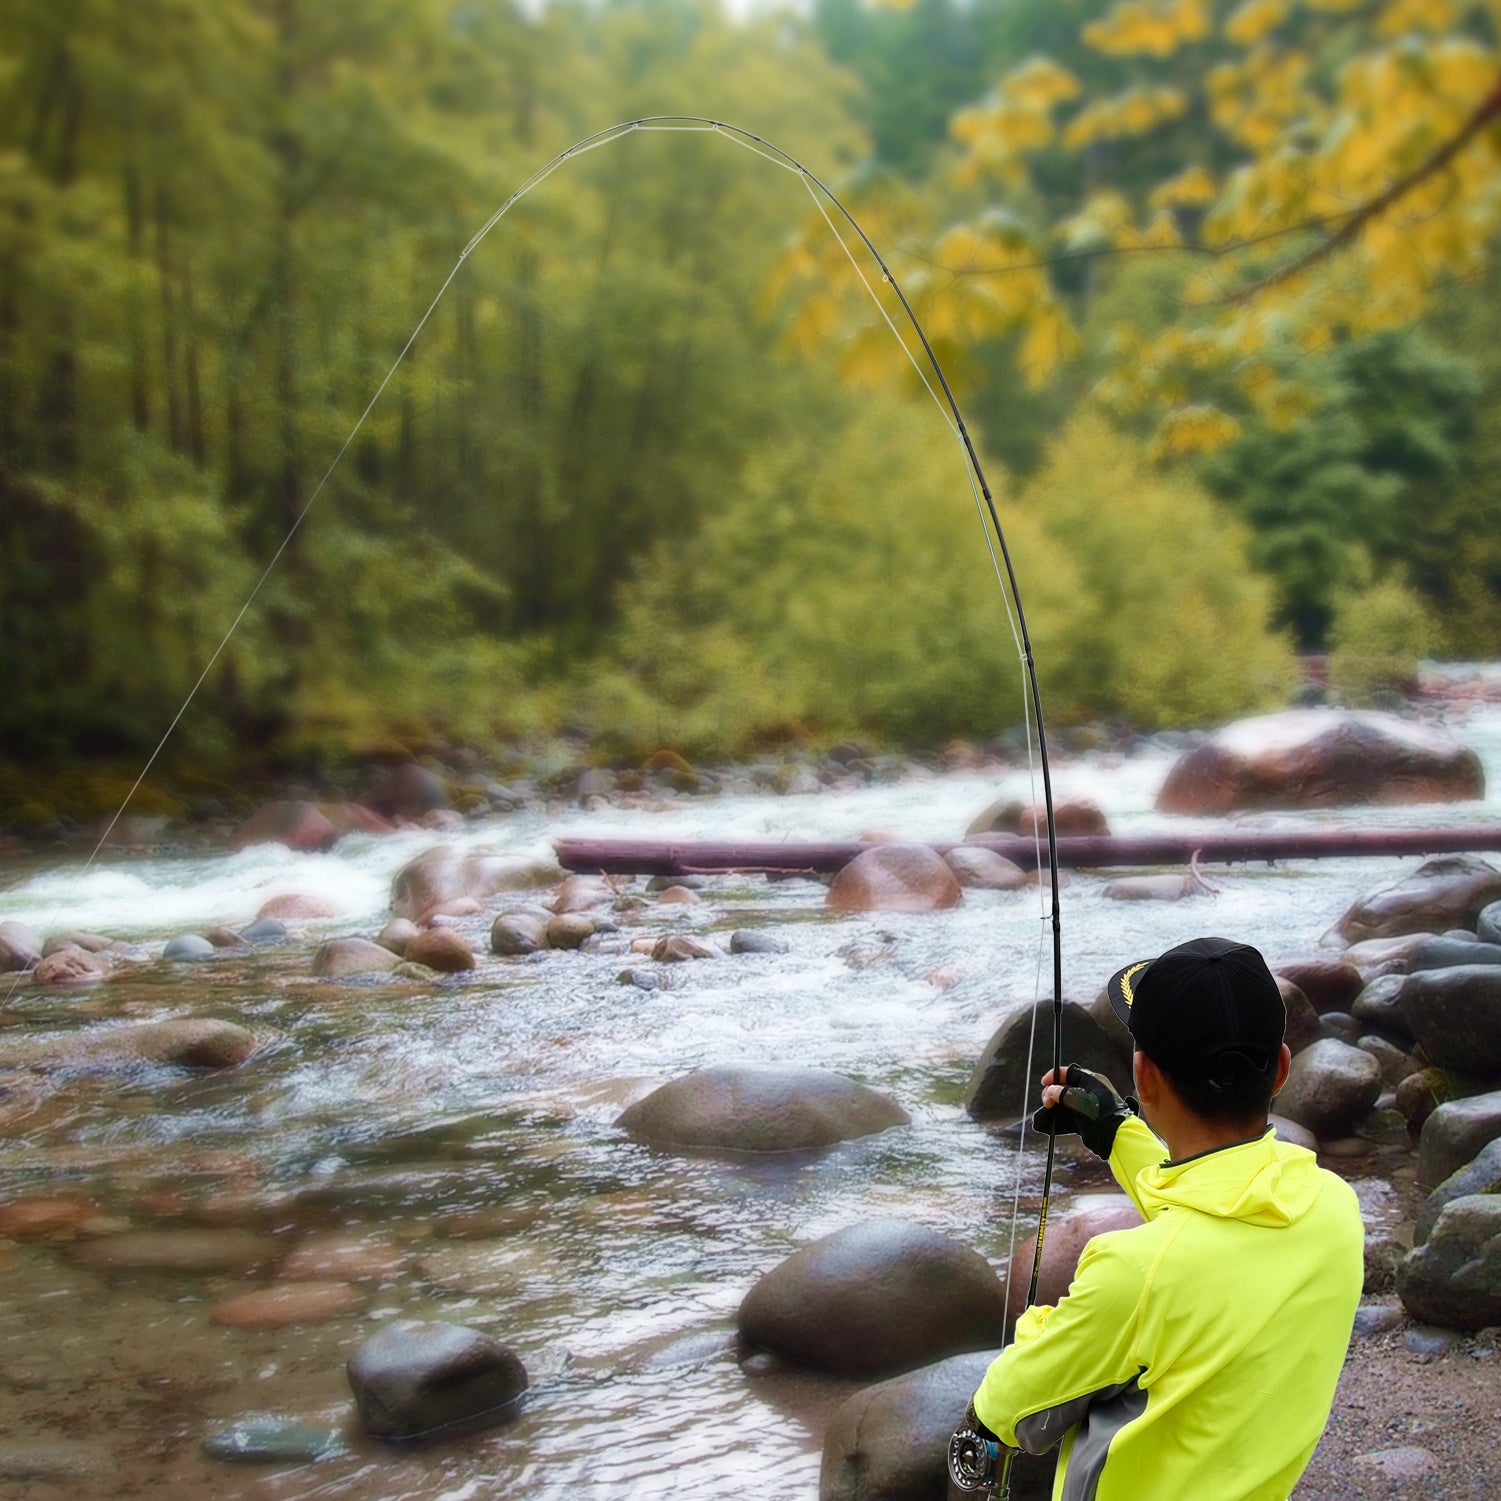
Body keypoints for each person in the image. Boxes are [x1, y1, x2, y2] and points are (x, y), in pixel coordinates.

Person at [962, 936, 1364, 1501]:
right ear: (1280, 1069)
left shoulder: (1133, 1274)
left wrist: (1041, 1329)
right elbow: (1217, 1221)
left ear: (1144, 1075)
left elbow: (1008, 1408)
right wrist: (1115, 1131)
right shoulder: (1335, 1208)